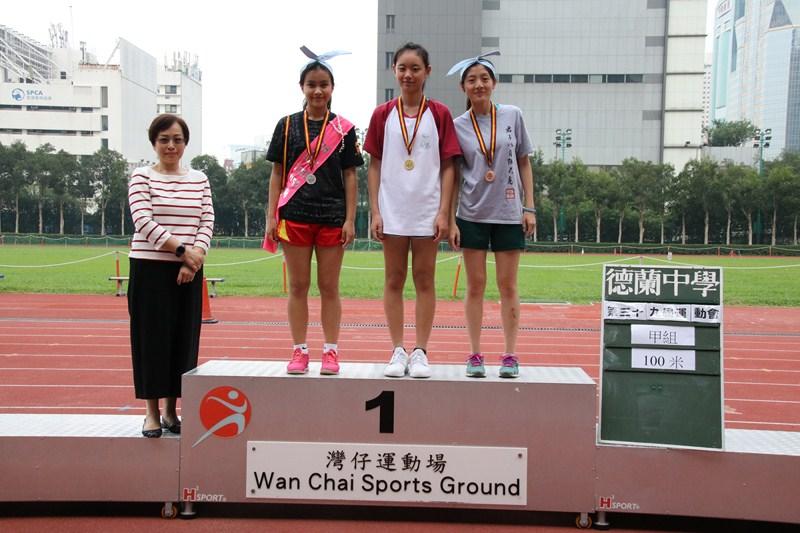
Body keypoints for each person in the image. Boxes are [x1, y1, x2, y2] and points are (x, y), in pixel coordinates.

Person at [364, 42, 461, 378]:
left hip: (427, 210)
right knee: (393, 279)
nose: (408, 74)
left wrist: (444, 212)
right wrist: (376, 211)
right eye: (402, 68)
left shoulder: (439, 114)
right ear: (394, 70)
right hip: (392, 210)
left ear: (427, 72)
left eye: (415, 68)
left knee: (424, 280)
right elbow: (374, 165)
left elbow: (448, 166)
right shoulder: (382, 115)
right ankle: (397, 349)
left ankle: (420, 351)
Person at [263, 46, 362, 376]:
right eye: (311, 84)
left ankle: (331, 351)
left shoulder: (344, 129)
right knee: (298, 286)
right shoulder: (287, 126)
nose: (318, 91)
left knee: (329, 287)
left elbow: (351, 175)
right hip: (295, 215)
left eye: (323, 84)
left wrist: (350, 219)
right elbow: (277, 172)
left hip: (332, 217)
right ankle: (299, 350)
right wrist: (271, 216)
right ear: (301, 87)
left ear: (332, 88)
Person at [446, 52, 536, 378]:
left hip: (509, 213)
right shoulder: (457, 126)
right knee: (475, 286)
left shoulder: (512, 115)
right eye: (472, 80)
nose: (479, 85)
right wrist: (451, 219)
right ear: (463, 87)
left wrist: (529, 207)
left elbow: (524, 161)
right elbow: (454, 175)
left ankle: (510, 355)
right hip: (472, 213)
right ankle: (474, 354)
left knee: (508, 286)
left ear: (494, 83)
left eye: (484, 78)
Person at [128, 114, 214, 437]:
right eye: (164, 139)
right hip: (149, 268)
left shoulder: (199, 179)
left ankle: (170, 410)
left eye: (177, 139)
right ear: (154, 142)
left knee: (182, 340)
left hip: (188, 271)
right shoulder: (141, 177)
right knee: (151, 340)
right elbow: (143, 221)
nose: (170, 146)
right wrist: (182, 251)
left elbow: (207, 220)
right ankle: (151, 413)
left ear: (185, 144)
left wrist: (194, 260)